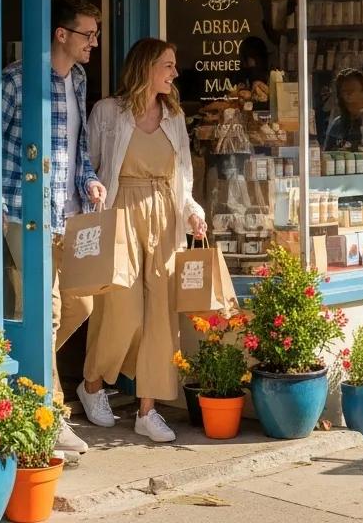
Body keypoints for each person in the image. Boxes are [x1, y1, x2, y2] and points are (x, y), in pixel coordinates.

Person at [79, 39, 207, 443]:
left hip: (165, 216)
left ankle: (148, 410)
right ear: (146, 67)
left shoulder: (173, 116)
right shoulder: (108, 113)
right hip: (121, 214)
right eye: (167, 65)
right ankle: (93, 383)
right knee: (123, 309)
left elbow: (182, 175)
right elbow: (92, 167)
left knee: (161, 317)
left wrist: (192, 211)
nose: (174, 73)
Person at [2, 0, 106, 457]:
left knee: (80, 305)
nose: (95, 43)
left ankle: (19, 367)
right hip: (25, 215)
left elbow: (77, 145)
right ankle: (50, 415)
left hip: (70, 214)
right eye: (89, 34)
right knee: (46, 310)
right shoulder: (15, 80)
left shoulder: (79, 79)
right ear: (62, 35)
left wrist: (90, 180)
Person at [324, 68, 363, 151]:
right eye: (344, 91)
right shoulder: (337, 125)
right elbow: (327, 154)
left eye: (352, 90)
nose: (348, 95)